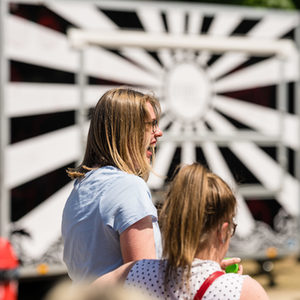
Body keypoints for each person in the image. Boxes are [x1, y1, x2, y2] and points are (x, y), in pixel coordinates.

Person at [93, 163, 269, 300]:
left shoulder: (135, 274)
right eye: (232, 228)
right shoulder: (242, 291)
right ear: (222, 231)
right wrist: (224, 279)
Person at [61, 87, 163, 283]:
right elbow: (145, 282)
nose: (158, 133)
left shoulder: (80, 188)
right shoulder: (129, 186)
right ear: (126, 131)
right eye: (150, 125)